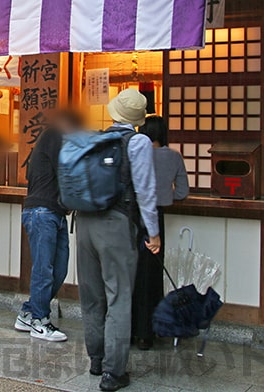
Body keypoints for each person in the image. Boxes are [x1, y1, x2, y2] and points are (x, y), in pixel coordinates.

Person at [76, 89, 160, 392]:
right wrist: (153, 232)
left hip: (84, 223)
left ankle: (96, 359)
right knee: (119, 296)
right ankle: (114, 372)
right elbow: (146, 191)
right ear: (137, 119)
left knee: (92, 296)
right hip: (116, 224)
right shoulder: (137, 142)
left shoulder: (93, 138)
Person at [15, 109, 82, 342]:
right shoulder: (53, 135)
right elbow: (67, 171)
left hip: (54, 213)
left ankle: (28, 312)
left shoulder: (55, 138)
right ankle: (40, 321)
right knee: (44, 269)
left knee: (58, 269)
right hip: (42, 212)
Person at [132, 116, 189, 350]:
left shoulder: (135, 153)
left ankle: (127, 332)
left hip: (132, 218)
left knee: (130, 274)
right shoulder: (174, 156)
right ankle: (148, 334)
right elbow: (183, 191)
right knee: (152, 277)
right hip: (157, 217)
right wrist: (166, 195)